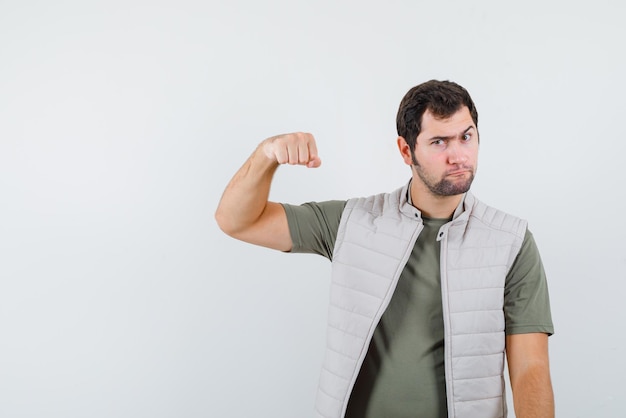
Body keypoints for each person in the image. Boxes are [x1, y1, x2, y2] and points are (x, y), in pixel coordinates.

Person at [215, 80, 554, 418]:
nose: (458, 156)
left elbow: (529, 369)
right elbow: (238, 221)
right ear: (406, 151)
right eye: (439, 142)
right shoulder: (352, 221)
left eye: (466, 137)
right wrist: (266, 156)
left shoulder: (511, 241)